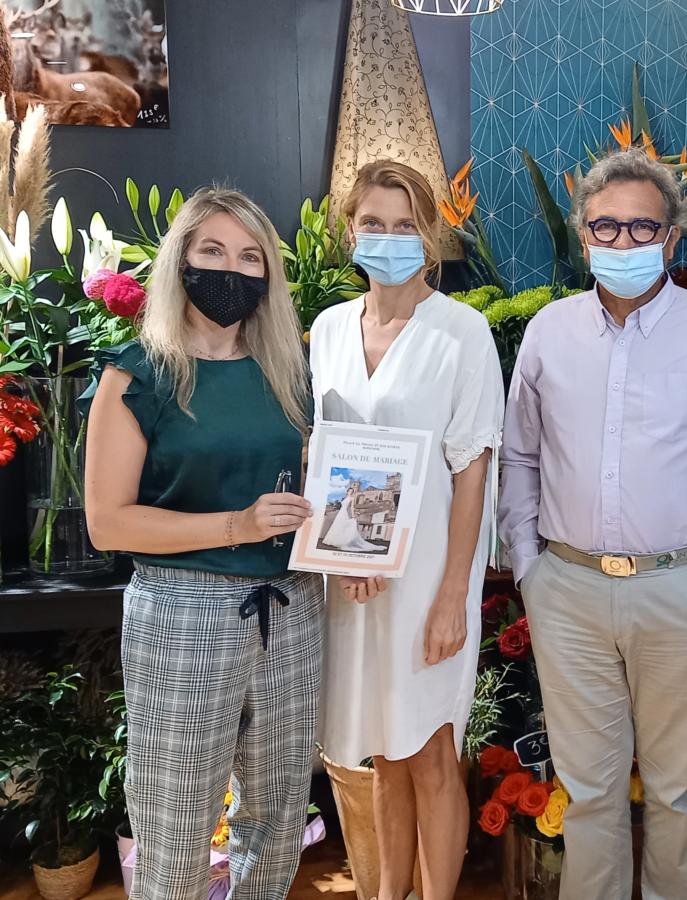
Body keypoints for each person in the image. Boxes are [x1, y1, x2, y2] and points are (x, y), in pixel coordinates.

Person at [499, 148, 687, 900]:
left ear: (671, 237)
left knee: (677, 792)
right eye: (606, 226)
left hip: (685, 590)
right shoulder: (549, 331)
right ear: (583, 234)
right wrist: (530, 564)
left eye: (641, 228)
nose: (622, 241)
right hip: (569, 591)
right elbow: (519, 456)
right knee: (589, 795)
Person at [80, 188, 320, 900]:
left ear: (268, 274)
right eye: (212, 250)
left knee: (278, 823)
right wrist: (236, 525)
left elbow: (316, 489)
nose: (230, 270)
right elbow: (107, 523)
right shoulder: (138, 372)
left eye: (250, 257)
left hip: (293, 607)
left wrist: (352, 546)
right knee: (177, 827)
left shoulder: (289, 372)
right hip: (183, 612)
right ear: (179, 260)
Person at [312, 160, 503, 900]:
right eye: (373, 223)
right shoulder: (327, 329)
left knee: (430, 753)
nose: (388, 237)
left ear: (429, 236)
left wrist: (454, 595)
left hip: (428, 578)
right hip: (354, 576)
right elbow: (325, 455)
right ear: (350, 230)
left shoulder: (461, 332)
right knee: (383, 755)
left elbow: (472, 470)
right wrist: (341, 558)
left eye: (404, 225)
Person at [321, 483, 378, 552]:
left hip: (344, 513)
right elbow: (341, 505)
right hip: (340, 513)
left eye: (352, 491)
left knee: (342, 527)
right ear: (347, 491)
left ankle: (341, 542)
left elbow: (352, 507)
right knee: (337, 526)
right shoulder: (345, 498)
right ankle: (333, 541)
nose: (350, 492)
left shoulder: (352, 498)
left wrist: (353, 515)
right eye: (349, 491)